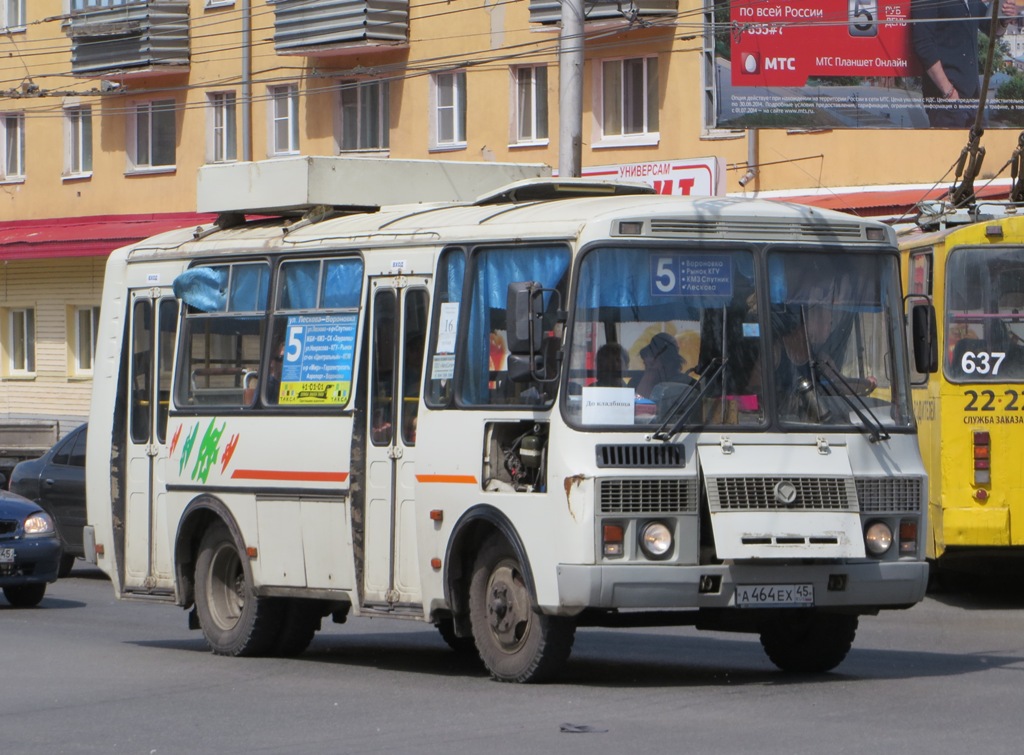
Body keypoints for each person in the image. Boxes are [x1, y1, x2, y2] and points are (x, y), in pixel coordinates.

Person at [911, 0, 1016, 128]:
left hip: (972, 98)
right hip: (945, 101)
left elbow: (992, 29)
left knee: (979, 145)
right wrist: (949, 92)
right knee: (951, 147)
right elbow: (923, 45)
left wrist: (1004, 20)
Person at [634, 333, 689, 399]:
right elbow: (639, 405)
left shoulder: (687, 385)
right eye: (651, 354)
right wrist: (650, 373)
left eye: (664, 358)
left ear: (672, 361)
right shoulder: (635, 382)